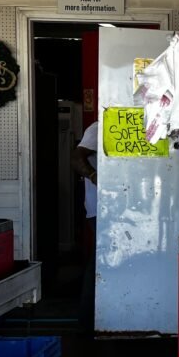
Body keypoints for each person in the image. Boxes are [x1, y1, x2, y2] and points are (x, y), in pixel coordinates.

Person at [71, 121, 98, 332]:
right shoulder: (99, 127)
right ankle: (87, 321)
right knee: (100, 261)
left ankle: (89, 320)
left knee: (100, 260)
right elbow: (76, 157)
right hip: (101, 208)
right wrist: (94, 175)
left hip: (118, 208)